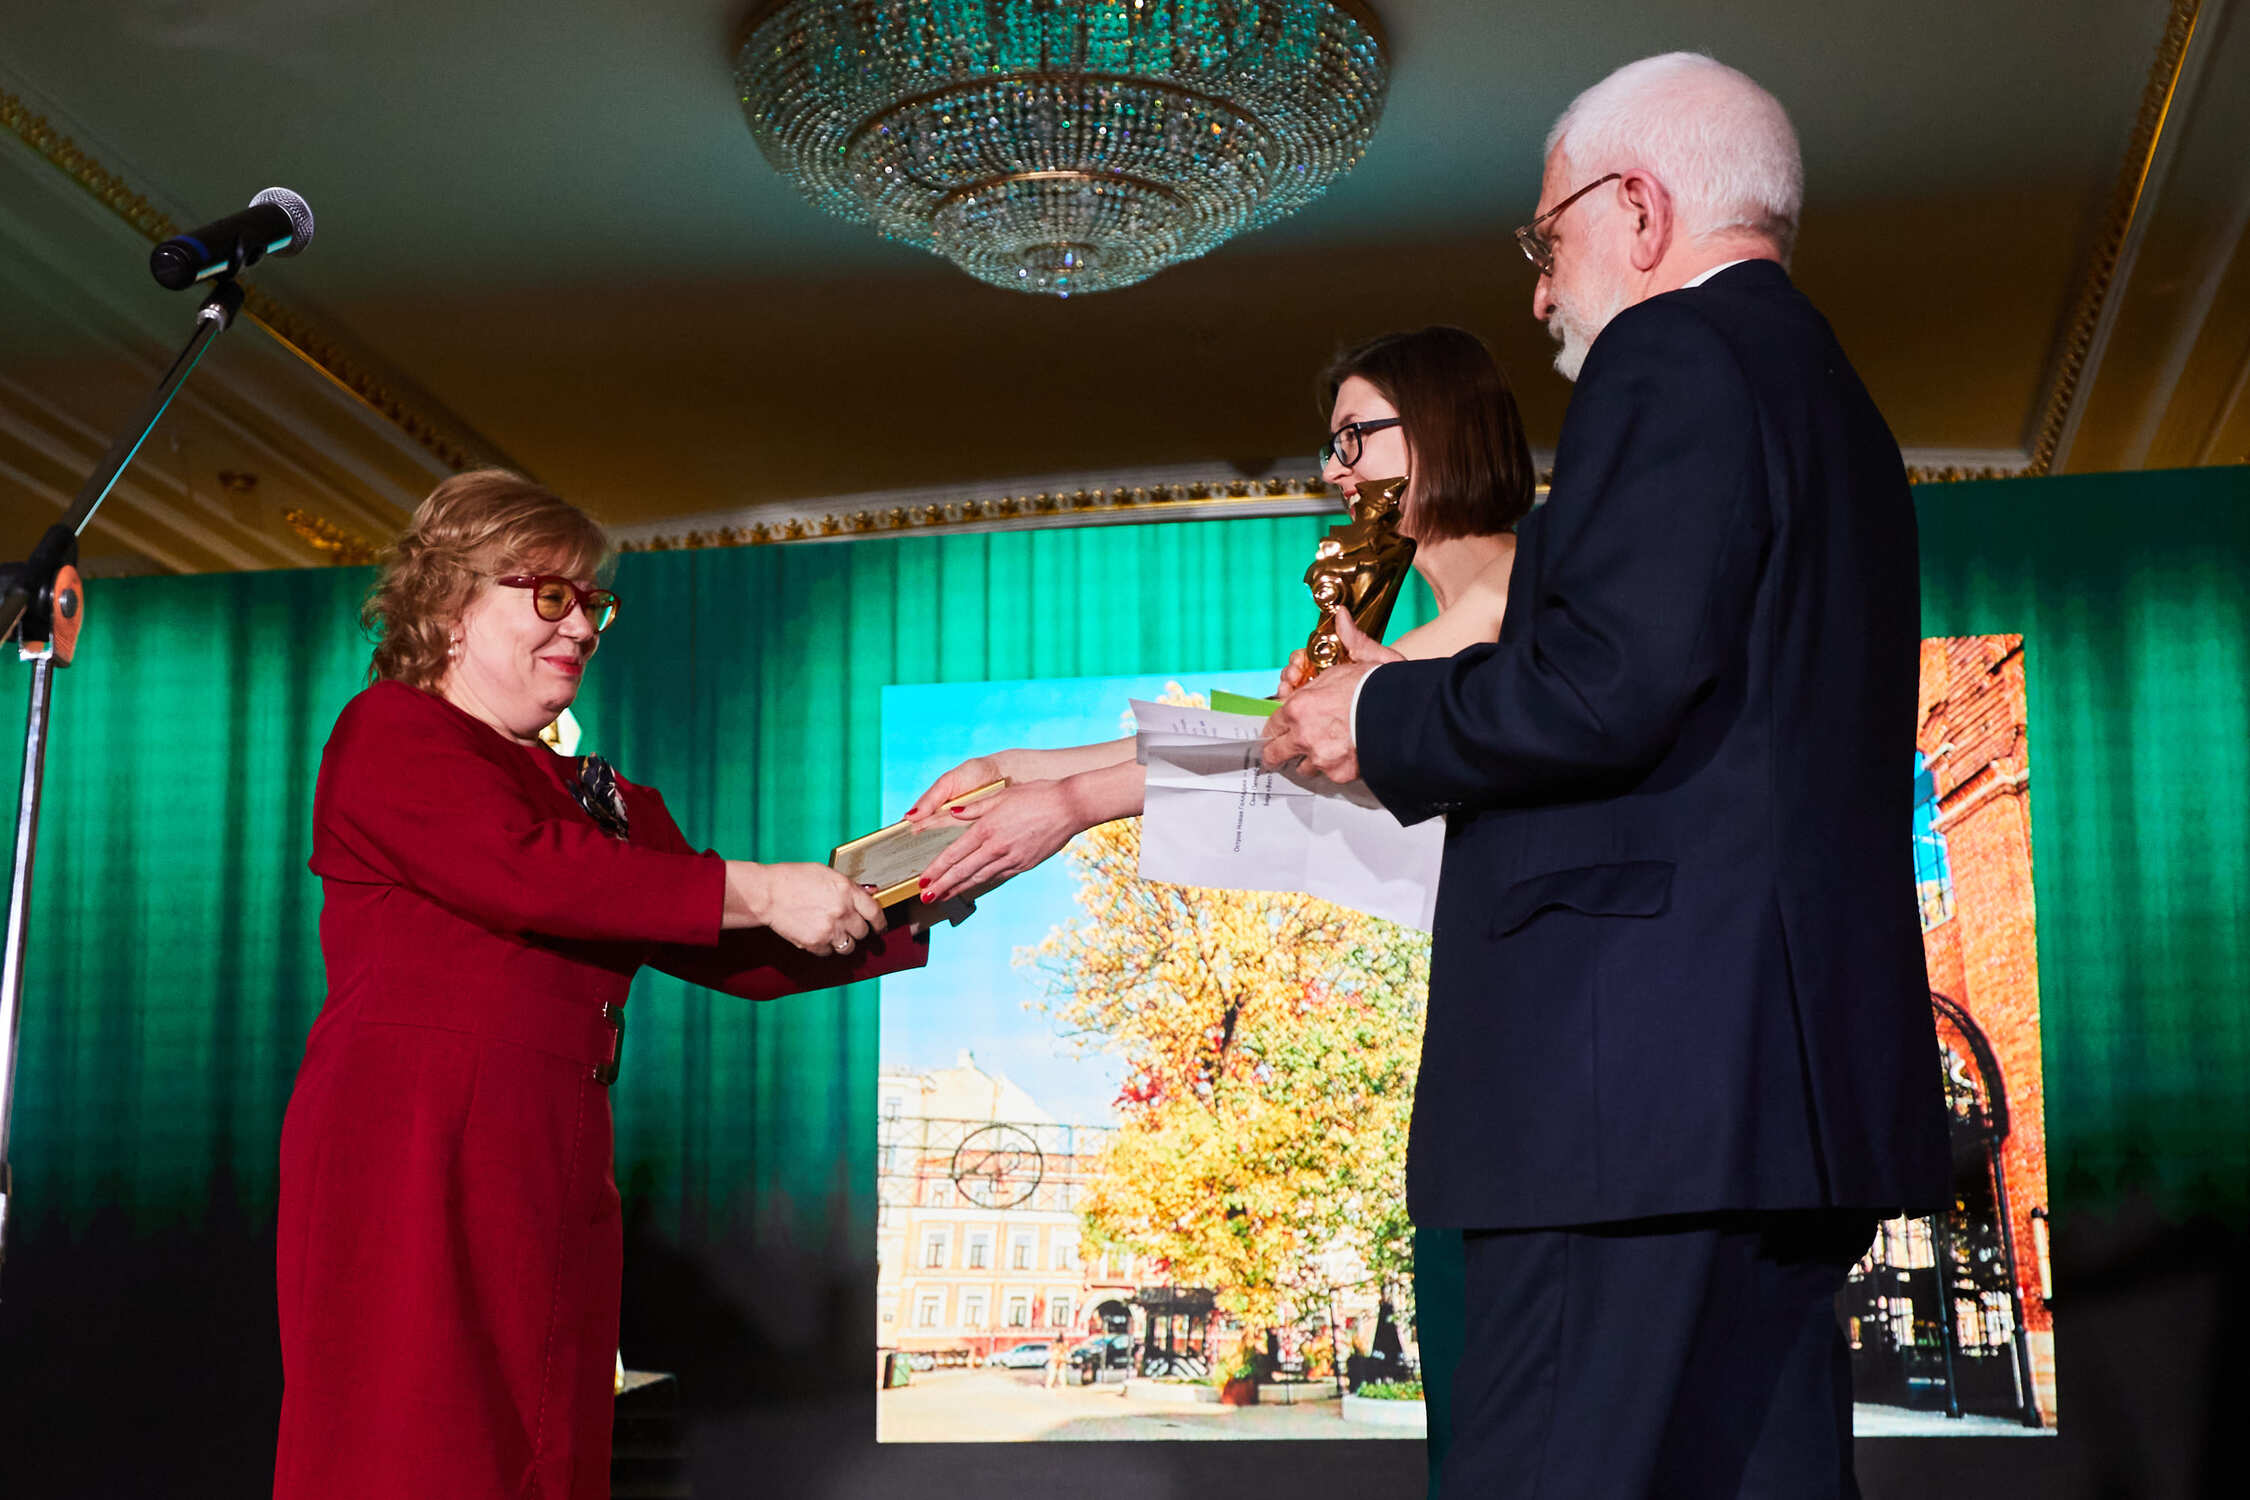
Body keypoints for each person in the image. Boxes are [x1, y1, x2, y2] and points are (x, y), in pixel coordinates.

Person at [1261, 53, 1953, 1498]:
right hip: (1779, 1111)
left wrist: (1376, 720)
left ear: (1639, 207)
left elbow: (1606, 682)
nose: (1537, 295)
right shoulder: (1838, 403)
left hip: (1622, 1106)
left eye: (1545, 238)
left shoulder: (1674, 351)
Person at [274, 471, 930, 1499]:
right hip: (415, 1145)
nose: (581, 627)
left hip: (553, 1152)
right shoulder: (391, 730)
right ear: (450, 603)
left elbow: (726, 947)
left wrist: (915, 893)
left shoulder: (594, 794)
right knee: (415, 1442)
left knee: (549, 1442)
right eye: (551, 597)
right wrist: (764, 887)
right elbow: (530, 871)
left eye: (593, 604)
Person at [907, 325, 1537, 902]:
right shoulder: (1447, 618)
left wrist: (1072, 803)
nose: (1332, 470)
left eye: (1352, 437)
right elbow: (1253, 729)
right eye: (1331, 446)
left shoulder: (1515, 582)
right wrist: (1017, 770)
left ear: (1436, 426)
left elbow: (1273, 735)